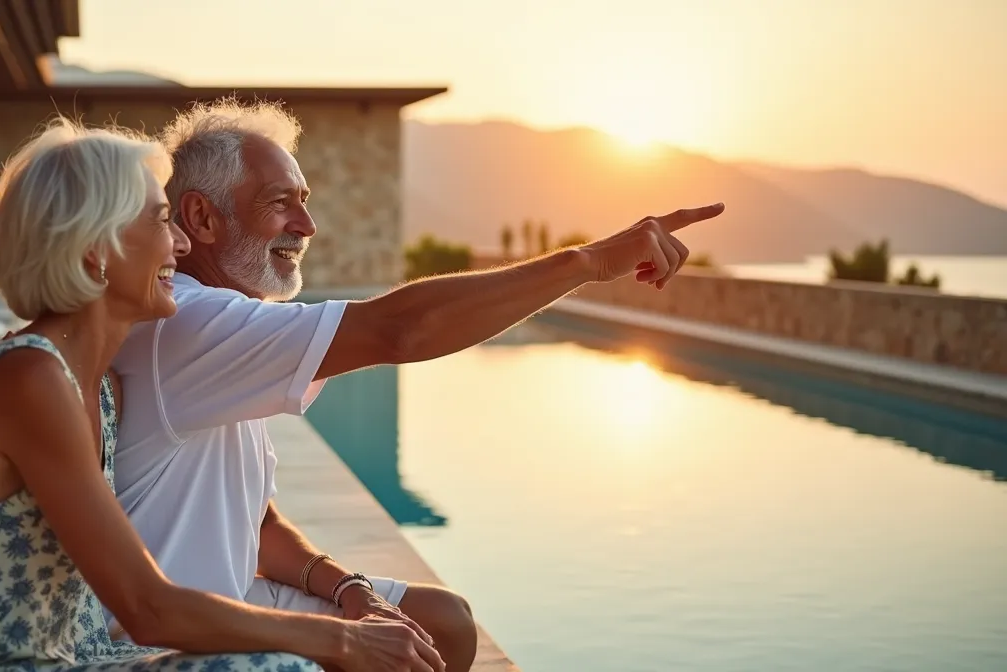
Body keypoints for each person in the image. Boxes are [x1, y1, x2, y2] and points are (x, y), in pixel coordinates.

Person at [106, 98, 726, 672]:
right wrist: (587, 263)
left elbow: (257, 525)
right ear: (201, 218)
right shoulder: (187, 324)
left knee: (441, 622)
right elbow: (400, 331)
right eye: (279, 202)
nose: (308, 224)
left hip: (229, 588)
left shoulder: (225, 323)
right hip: (179, 629)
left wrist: (351, 590)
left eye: (304, 198)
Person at [0, 117, 445, 672]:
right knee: (277, 670)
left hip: (66, 652)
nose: (177, 242)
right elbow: (147, 609)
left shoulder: (93, 383)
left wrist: (345, 600)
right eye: (160, 220)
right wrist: (340, 640)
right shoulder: (29, 381)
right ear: (95, 247)